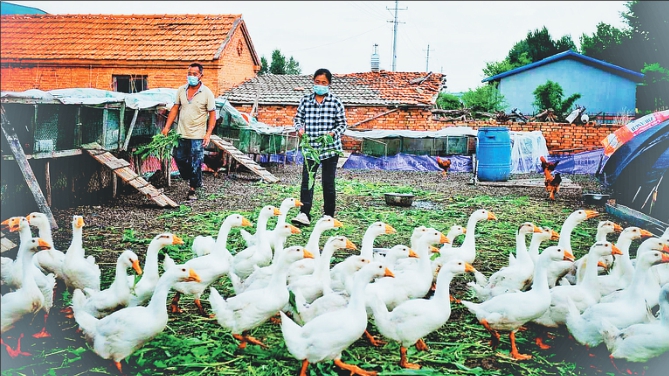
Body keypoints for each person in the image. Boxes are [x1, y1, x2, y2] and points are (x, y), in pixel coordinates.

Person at [291, 68, 348, 226]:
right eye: (317, 82)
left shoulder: (335, 102)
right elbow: (297, 118)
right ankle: (304, 213)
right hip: (310, 149)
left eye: (323, 83)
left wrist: (332, 134)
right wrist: (300, 129)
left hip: (330, 149)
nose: (320, 85)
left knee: (328, 182)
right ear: (313, 82)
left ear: (329, 84)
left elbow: (343, 124)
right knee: (307, 181)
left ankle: (328, 215)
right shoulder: (306, 100)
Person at [161, 62, 217, 200]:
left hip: (198, 135)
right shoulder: (181, 90)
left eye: (194, 74)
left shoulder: (207, 93)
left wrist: (208, 133)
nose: (191, 76)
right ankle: (190, 177)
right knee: (178, 157)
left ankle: (192, 189)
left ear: (200, 76)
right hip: (181, 133)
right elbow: (175, 108)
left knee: (196, 161)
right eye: (189, 73)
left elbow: (213, 115)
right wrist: (167, 127)